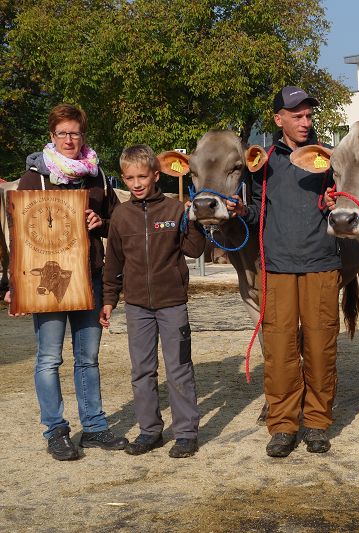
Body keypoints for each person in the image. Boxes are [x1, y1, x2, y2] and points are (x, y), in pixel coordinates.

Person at [4, 103, 127, 460]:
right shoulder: (33, 179)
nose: (69, 139)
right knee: (48, 358)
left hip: (89, 276)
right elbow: (18, 236)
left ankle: (95, 428)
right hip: (49, 280)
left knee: (88, 357)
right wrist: (15, 284)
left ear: (83, 135)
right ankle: (55, 430)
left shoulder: (97, 176)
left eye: (75, 133)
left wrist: (100, 223)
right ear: (52, 136)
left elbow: (118, 221)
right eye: (62, 133)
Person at [227, 86, 342, 457]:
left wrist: (334, 201)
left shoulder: (329, 159)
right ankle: (282, 427)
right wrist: (242, 212)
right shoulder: (263, 163)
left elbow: (345, 203)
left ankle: (317, 423)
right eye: (297, 115)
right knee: (279, 351)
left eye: (308, 115)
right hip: (276, 268)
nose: (305, 122)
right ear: (279, 120)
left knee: (321, 348)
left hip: (321, 264)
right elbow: (259, 213)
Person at [100, 145, 207, 458]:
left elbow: (195, 250)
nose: (136, 183)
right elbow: (113, 262)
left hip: (172, 303)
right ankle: (150, 431)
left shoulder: (175, 210)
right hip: (137, 307)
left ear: (156, 176)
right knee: (142, 371)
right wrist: (109, 299)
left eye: (142, 177)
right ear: (123, 178)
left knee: (179, 369)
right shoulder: (120, 216)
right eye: (130, 178)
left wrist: (194, 220)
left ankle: (186, 434)